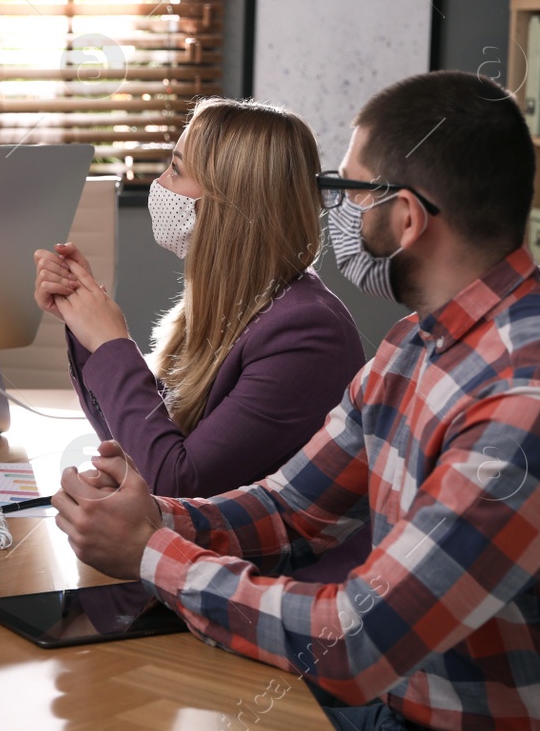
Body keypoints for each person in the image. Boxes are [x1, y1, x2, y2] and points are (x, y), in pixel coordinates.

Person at [52, 72, 540, 731]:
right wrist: (152, 516)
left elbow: (357, 640)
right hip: (405, 728)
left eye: (351, 190)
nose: (338, 213)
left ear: (405, 218)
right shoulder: (415, 345)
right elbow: (290, 508)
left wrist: (152, 553)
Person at [35, 98, 366, 577]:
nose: (160, 186)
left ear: (232, 201)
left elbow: (176, 483)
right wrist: (84, 319)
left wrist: (111, 345)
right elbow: (134, 445)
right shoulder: (227, 302)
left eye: (176, 170)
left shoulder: (306, 332)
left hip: (264, 588)